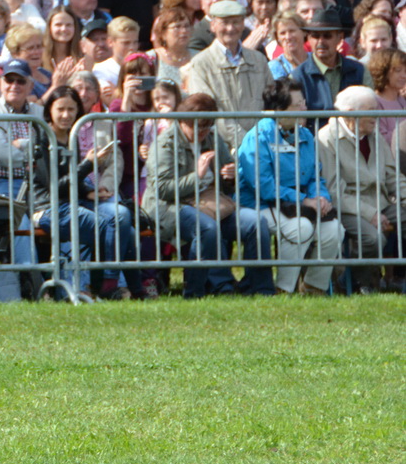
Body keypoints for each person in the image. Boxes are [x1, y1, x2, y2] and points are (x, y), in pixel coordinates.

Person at [140, 93, 274, 297]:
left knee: (256, 223)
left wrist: (229, 177)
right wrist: (197, 175)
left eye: (206, 127)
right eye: (197, 127)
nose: (201, 132)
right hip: (169, 207)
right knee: (207, 228)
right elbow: (163, 189)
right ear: (184, 121)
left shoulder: (212, 137)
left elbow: (229, 185)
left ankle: (260, 289)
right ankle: (196, 291)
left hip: (210, 203)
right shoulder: (165, 143)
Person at [32, 86, 139, 299]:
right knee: (105, 224)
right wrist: (89, 164)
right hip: (48, 207)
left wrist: (89, 191)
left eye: (71, 109)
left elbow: (72, 179)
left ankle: (119, 285)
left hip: (74, 201)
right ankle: (106, 284)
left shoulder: (71, 137)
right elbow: (54, 186)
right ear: (49, 111)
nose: (66, 115)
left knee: (122, 216)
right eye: (60, 109)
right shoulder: (43, 139)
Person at [236, 78, 341, 294]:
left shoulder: (305, 135)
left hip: (297, 205)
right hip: (257, 205)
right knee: (300, 228)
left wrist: (320, 199)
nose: (305, 108)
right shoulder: (258, 137)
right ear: (278, 110)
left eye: (304, 102)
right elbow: (263, 186)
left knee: (334, 229)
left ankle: (313, 288)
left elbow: (314, 176)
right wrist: (304, 200)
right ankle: (284, 289)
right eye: (298, 105)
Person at [317, 86, 406, 294]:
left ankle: (398, 279)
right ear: (350, 115)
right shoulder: (326, 139)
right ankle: (359, 281)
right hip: (348, 207)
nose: (377, 114)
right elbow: (334, 191)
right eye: (371, 110)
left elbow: (393, 176)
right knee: (373, 238)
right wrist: (370, 213)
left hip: (381, 201)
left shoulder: (373, 134)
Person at [181, 0, 271, 148]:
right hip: (220, 149)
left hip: (261, 145)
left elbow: (270, 102)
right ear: (213, 26)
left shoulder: (259, 60)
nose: (230, 28)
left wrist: (260, 141)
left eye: (236, 22)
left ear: (243, 24)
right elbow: (207, 109)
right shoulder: (201, 63)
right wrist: (244, 142)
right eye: (225, 22)